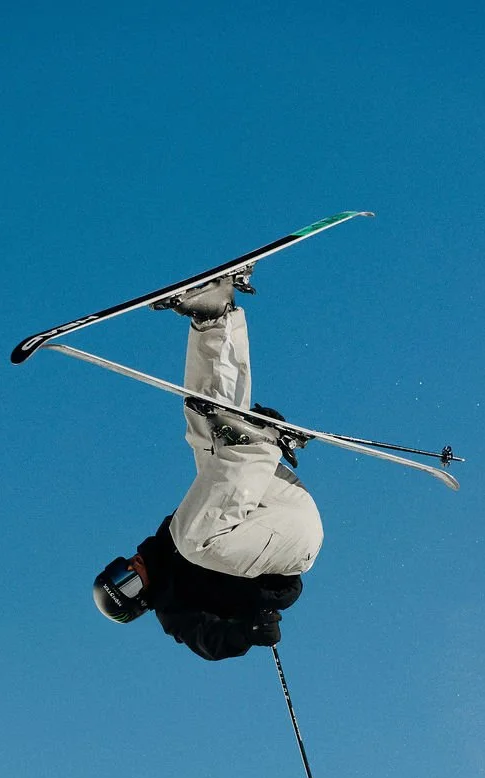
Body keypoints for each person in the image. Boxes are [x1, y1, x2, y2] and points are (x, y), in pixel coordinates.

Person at [92, 274, 324, 661]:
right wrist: (249, 630)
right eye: (128, 583)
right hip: (292, 542)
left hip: (267, 501)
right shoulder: (175, 610)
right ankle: (261, 444)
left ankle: (216, 318)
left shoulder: (169, 539)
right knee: (194, 540)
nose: (131, 568)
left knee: (206, 436)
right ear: (140, 601)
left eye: (118, 569)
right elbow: (209, 644)